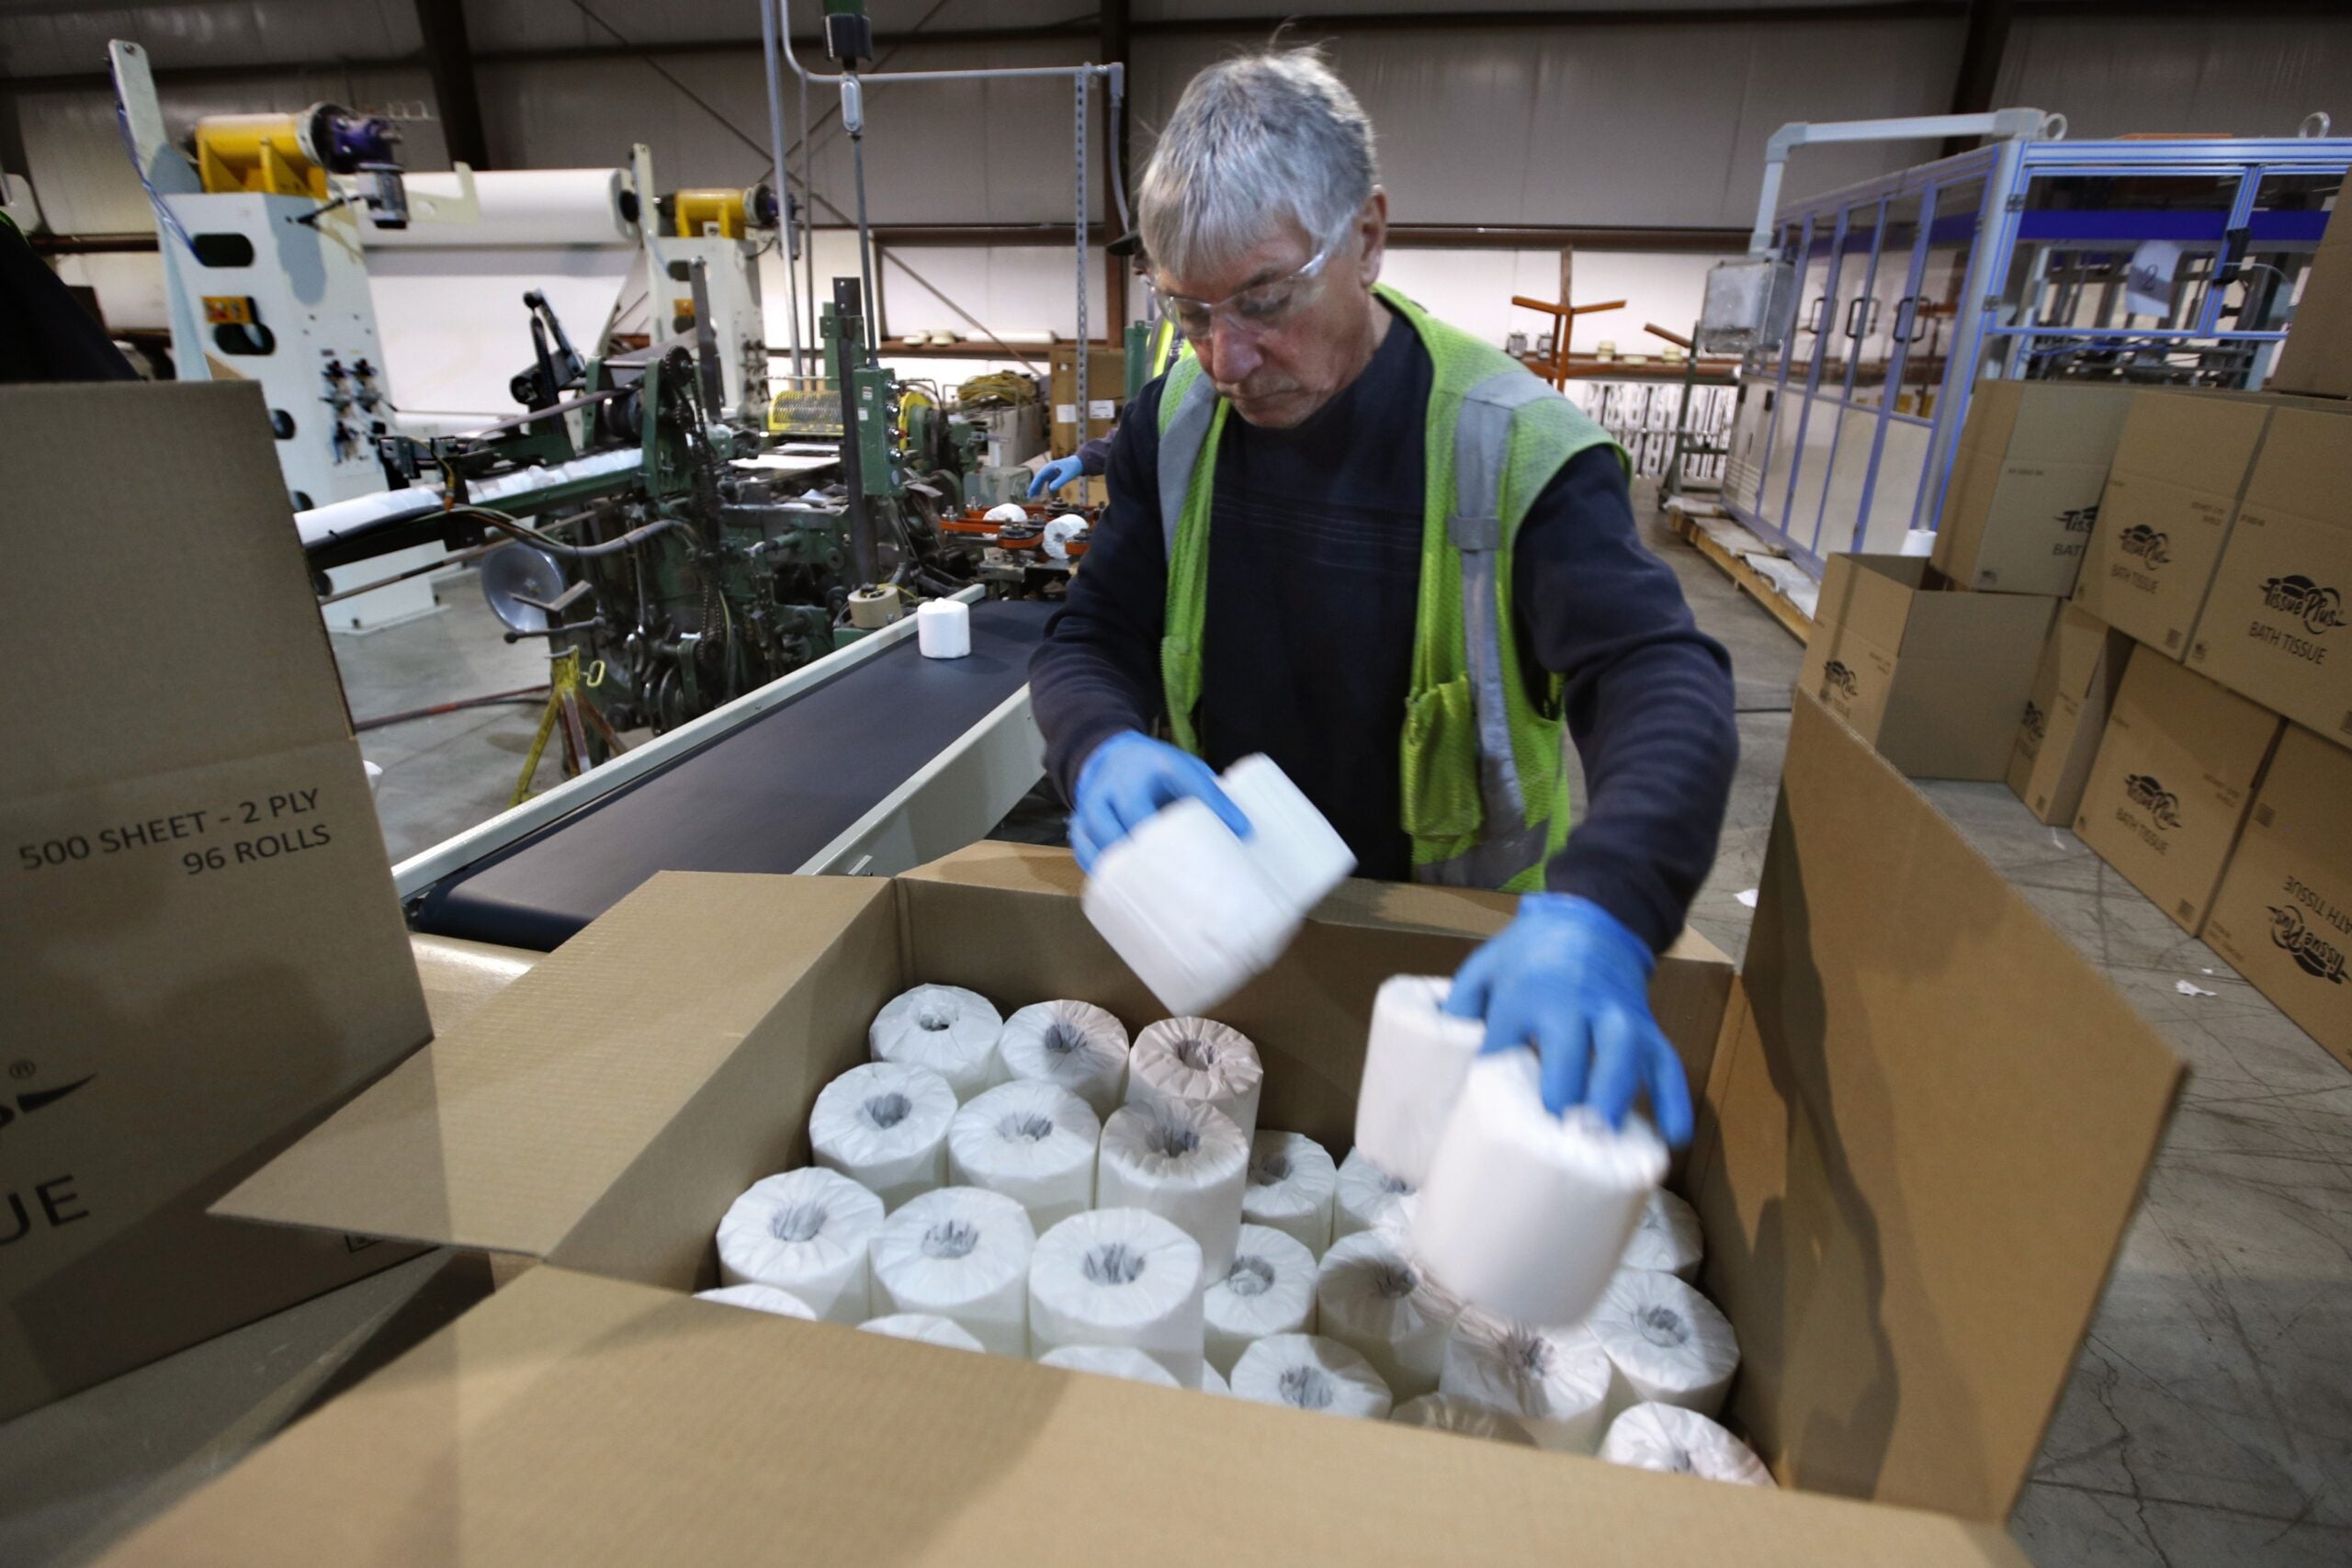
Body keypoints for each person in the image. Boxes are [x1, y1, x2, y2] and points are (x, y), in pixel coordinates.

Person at [1026, 49, 1736, 1145]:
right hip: (1234, 938)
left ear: (1365, 235)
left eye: (1263, 300)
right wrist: (1097, 744)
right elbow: (1093, 636)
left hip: (1458, 968)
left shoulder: (1515, 451)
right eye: (1187, 311)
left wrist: (1608, 911)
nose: (1226, 357)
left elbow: (1659, 676)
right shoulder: (1176, 425)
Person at [1029, 232, 1186, 499]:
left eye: (1148, 254)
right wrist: (1087, 458)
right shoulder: (1165, 326)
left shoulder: (1228, 322)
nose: (1140, 267)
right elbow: (1150, 417)